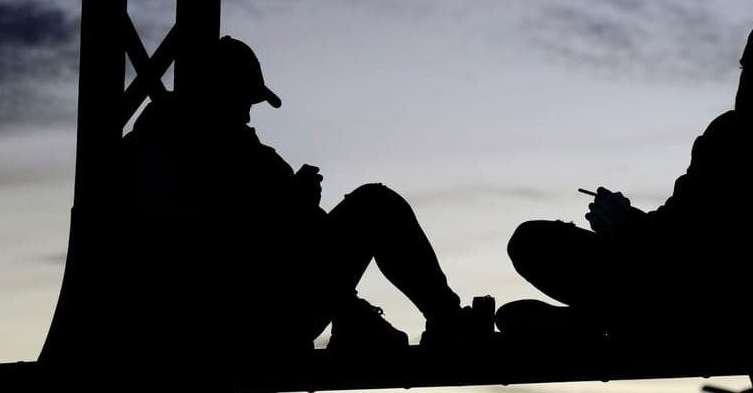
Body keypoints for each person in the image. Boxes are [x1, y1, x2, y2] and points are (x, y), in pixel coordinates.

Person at [120, 36, 491, 357]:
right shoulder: (163, 152)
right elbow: (202, 242)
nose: (249, 113)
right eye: (244, 99)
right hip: (228, 320)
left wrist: (296, 209)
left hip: (261, 307)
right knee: (376, 206)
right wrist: (290, 206)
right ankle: (443, 319)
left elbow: (299, 232)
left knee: (361, 209)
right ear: (219, 91)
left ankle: (358, 318)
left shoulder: (240, 151)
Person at [497, 16, 753, 334]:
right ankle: (604, 317)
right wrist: (632, 226)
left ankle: (601, 318)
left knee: (532, 240)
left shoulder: (735, 136)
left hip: (721, 295)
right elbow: (687, 228)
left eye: (749, 70)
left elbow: (694, 238)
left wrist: (625, 226)